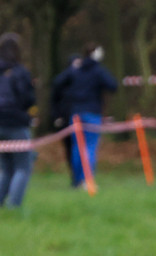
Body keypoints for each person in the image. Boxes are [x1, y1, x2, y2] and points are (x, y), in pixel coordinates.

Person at [0, 32, 36, 208]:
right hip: (15, 123)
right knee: (22, 167)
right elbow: (28, 99)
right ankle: (13, 206)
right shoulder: (19, 72)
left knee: (4, 167)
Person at [56, 42, 117, 189]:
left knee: (77, 147)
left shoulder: (76, 70)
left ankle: (77, 181)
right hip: (92, 113)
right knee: (89, 147)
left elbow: (58, 82)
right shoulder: (98, 70)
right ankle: (86, 180)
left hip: (75, 113)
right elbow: (113, 85)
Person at [50, 53, 81, 187]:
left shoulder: (84, 81)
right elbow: (54, 99)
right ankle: (75, 177)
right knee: (70, 148)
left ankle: (81, 177)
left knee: (81, 148)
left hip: (81, 118)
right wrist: (57, 116)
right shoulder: (62, 80)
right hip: (65, 118)